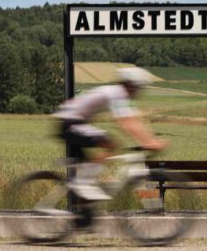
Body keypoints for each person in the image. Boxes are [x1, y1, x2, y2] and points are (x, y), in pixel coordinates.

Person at [53, 67, 167, 200]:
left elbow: (135, 121)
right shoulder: (117, 93)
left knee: (105, 149)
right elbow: (127, 123)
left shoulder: (119, 95)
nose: (139, 92)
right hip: (70, 123)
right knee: (110, 145)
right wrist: (150, 143)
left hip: (73, 122)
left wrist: (150, 139)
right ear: (131, 85)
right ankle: (83, 183)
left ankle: (86, 198)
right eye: (138, 88)